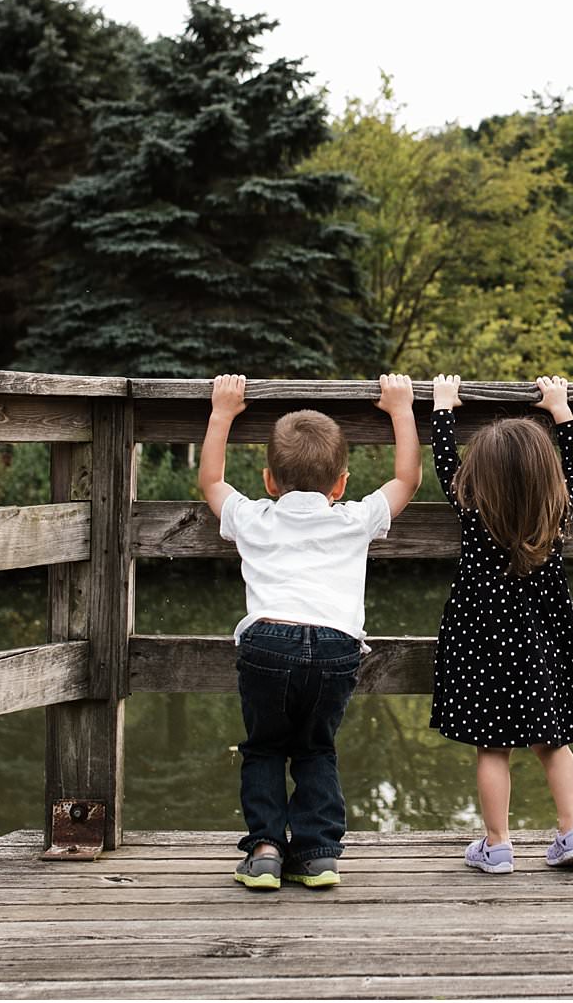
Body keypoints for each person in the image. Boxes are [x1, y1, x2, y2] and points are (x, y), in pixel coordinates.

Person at [198, 372, 421, 891]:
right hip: (336, 647)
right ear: (341, 483)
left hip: (267, 643)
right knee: (317, 748)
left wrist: (222, 413)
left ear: (269, 481)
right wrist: (401, 409)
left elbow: (211, 480)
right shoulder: (355, 518)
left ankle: (267, 850)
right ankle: (319, 855)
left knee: (265, 747)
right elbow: (407, 479)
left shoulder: (253, 517)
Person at [428, 373, 573, 874]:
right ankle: (572, 830)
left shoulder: (472, 510)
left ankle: (497, 845)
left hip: (482, 640)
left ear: (474, 479)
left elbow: (445, 464)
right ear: (552, 478)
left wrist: (443, 409)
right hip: (544, 639)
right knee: (553, 741)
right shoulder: (557, 510)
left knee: (492, 745)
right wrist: (560, 409)